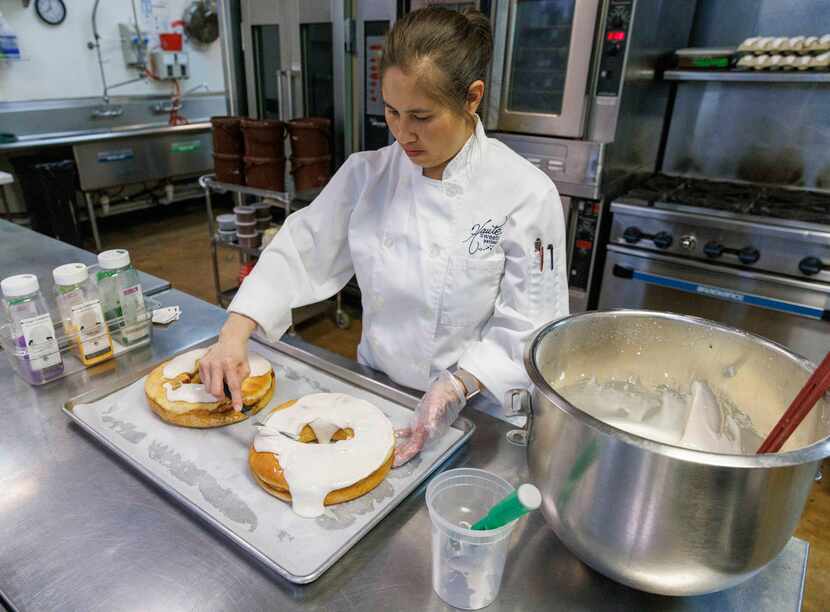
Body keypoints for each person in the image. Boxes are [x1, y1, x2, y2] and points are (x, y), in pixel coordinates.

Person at [199, 6, 568, 465]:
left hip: (480, 414)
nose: (402, 133)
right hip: (377, 393)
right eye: (392, 111)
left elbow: (531, 326)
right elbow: (301, 249)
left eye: (421, 116)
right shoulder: (368, 175)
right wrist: (235, 332)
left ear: (472, 98)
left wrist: (457, 385)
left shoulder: (525, 193)